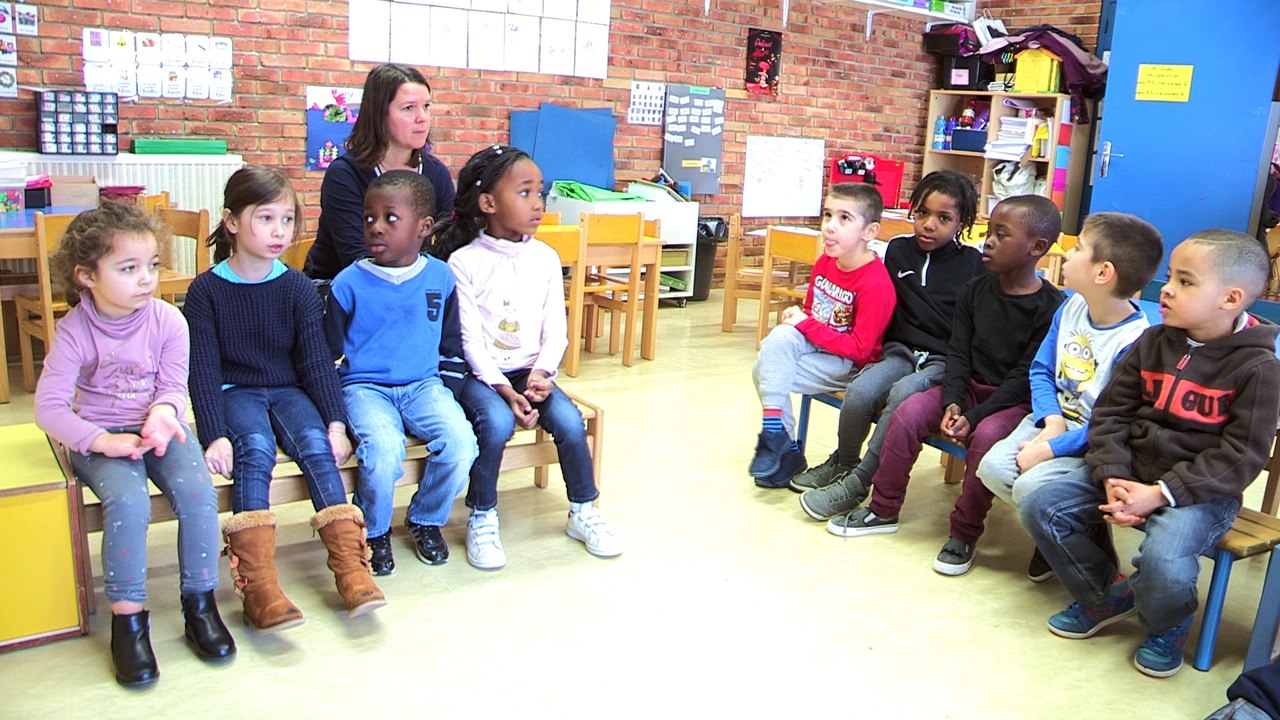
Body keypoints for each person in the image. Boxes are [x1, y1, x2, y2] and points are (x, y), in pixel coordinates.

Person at [1020, 229, 1280, 678]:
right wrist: (1113, 476)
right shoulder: (1152, 341)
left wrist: (1160, 494)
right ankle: (1106, 594)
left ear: (1231, 299)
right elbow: (1110, 415)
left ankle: (1167, 623)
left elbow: (1241, 457)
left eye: (1185, 281)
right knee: (1039, 501)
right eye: (1170, 277)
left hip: (1199, 494)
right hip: (1129, 472)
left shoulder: (1258, 368)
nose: (1167, 289)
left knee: (1165, 558)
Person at [33, 203, 233, 687]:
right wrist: (102, 440)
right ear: (87, 276)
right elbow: (49, 409)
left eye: (152, 265)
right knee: (128, 502)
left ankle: (200, 604)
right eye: (128, 268)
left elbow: (173, 386)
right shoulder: (74, 332)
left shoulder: (169, 321)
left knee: (198, 494)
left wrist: (163, 415)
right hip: (99, 435)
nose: (146, 279)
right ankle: (128, 621)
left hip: (158, 428)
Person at [184, 166, 386, 629]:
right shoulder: (205, 291)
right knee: (254, 449)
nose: (279, 231)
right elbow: (203, 370)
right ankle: (259, 587)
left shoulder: (296, 287)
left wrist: (336, 423)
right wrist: (214, 435)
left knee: (316, 446)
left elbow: (316, 360)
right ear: (232, 222)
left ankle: (352, 571)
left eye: (288, 219)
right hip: (236, 392)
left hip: (288, 390)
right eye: (265, 218)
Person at [824, 195, 1064, 572]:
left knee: (986, 438)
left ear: (1036, 247)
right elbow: (958, 352)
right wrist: (953, 401)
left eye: (1001, 235)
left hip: (1010, 401)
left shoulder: (1051, 306)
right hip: (964, 387)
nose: (987, 242)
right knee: (907, 413)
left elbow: (1024, 377)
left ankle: (964, 534)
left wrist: (976, 415)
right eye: (989, 232)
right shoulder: (974, 290)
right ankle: (883, 509)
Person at [429, 144, 621, 568]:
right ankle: (482, 515)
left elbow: (557, 330)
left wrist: (543, 373)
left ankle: (583, 510)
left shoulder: (546, 258)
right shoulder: (464, 262)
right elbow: (469, 342)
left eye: (540, 192)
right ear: (488, 203)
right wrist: (502, 388)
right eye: (525, 192)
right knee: (496, 424)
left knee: (569, 422)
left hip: (531, 372)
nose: (538, 203)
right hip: (481, 376)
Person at [978, 213, 1162, 582]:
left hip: (1092, 441)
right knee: (992, 469)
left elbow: (1111, 423)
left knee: (1030, 486)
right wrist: (1052, 421)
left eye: (1078, 248)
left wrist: (1050, 449)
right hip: (1053, 421)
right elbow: (1041, 370)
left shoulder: (1134, 342)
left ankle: (1087, 554)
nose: (1066, 252)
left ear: (1102, 273)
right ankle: (1067, 529)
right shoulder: (1071, 306)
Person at [795, 169, 984, 520]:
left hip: (942, 360)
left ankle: (860, 482)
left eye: (944, 218)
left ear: (961, 222)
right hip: (900, 351)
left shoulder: (973, 264)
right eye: (922, 213)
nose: (929, 224)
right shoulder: (898, 250)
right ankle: (844, 464)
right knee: (861, 391)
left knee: (903, 395)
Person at [325, 169, 478, 576]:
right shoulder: (348, 283)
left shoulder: (441, 277)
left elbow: (451, 344)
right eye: (368, 218)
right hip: (364, 388)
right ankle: (373, 530)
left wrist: (446, 394)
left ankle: (425, 518)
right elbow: (329, 354)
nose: (375, 227)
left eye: (390, 218)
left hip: (424, 386)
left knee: (461, 443)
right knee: (383, 451)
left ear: (423, 227)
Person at [747, 182, 896, 488]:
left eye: (844, 218)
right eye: (828, 215)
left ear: (869, 232)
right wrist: (798, 320)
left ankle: (785, 448)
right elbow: (813, 313)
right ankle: (776, 437)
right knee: (778, 340)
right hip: (819, 348)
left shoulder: (876, 284)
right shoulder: (825, 262)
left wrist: (805, 324)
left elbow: (860, 349)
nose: (830, 226)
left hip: (848, 365)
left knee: (764, 368)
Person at [305, 63, 457, 280]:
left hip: (415, 285)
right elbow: (357, 259)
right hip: (342, 286)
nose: (422, 117)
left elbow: (448, 245)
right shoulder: (345, 174)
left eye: (426, 106)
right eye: (409, 108)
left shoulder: (436, 173)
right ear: (379, 114)